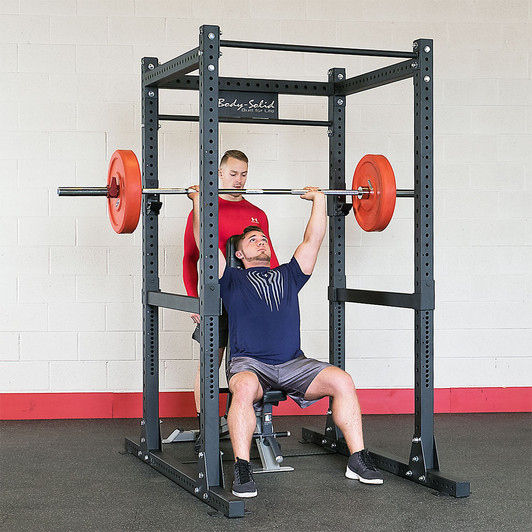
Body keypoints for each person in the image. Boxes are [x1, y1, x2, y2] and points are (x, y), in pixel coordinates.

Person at [188, 185, 383, 498]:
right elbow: (206, 245)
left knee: (342, 381)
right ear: (239, 253)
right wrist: (200, 202)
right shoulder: (232, 280)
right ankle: (241, 466)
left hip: (293, 363)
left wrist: (319, 200)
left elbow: (313, 240)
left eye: (264, 238)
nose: (261, 241)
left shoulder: (289, 274)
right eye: (253, 240)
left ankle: (358, 458)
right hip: (249, 364)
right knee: (245, 389)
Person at [183, 150, 279, 443]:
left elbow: (268, 259)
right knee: (210, 361)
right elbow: (190, 258)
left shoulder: (258, 214)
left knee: (248, 364)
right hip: (218, 300)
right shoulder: (204, 210)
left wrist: (272, 300)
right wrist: (193, 298)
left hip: (251, 304)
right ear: (220, 174)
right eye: (234, 174)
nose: (239, 180)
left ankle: (239, 422)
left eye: (244, 174)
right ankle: (209, 428)